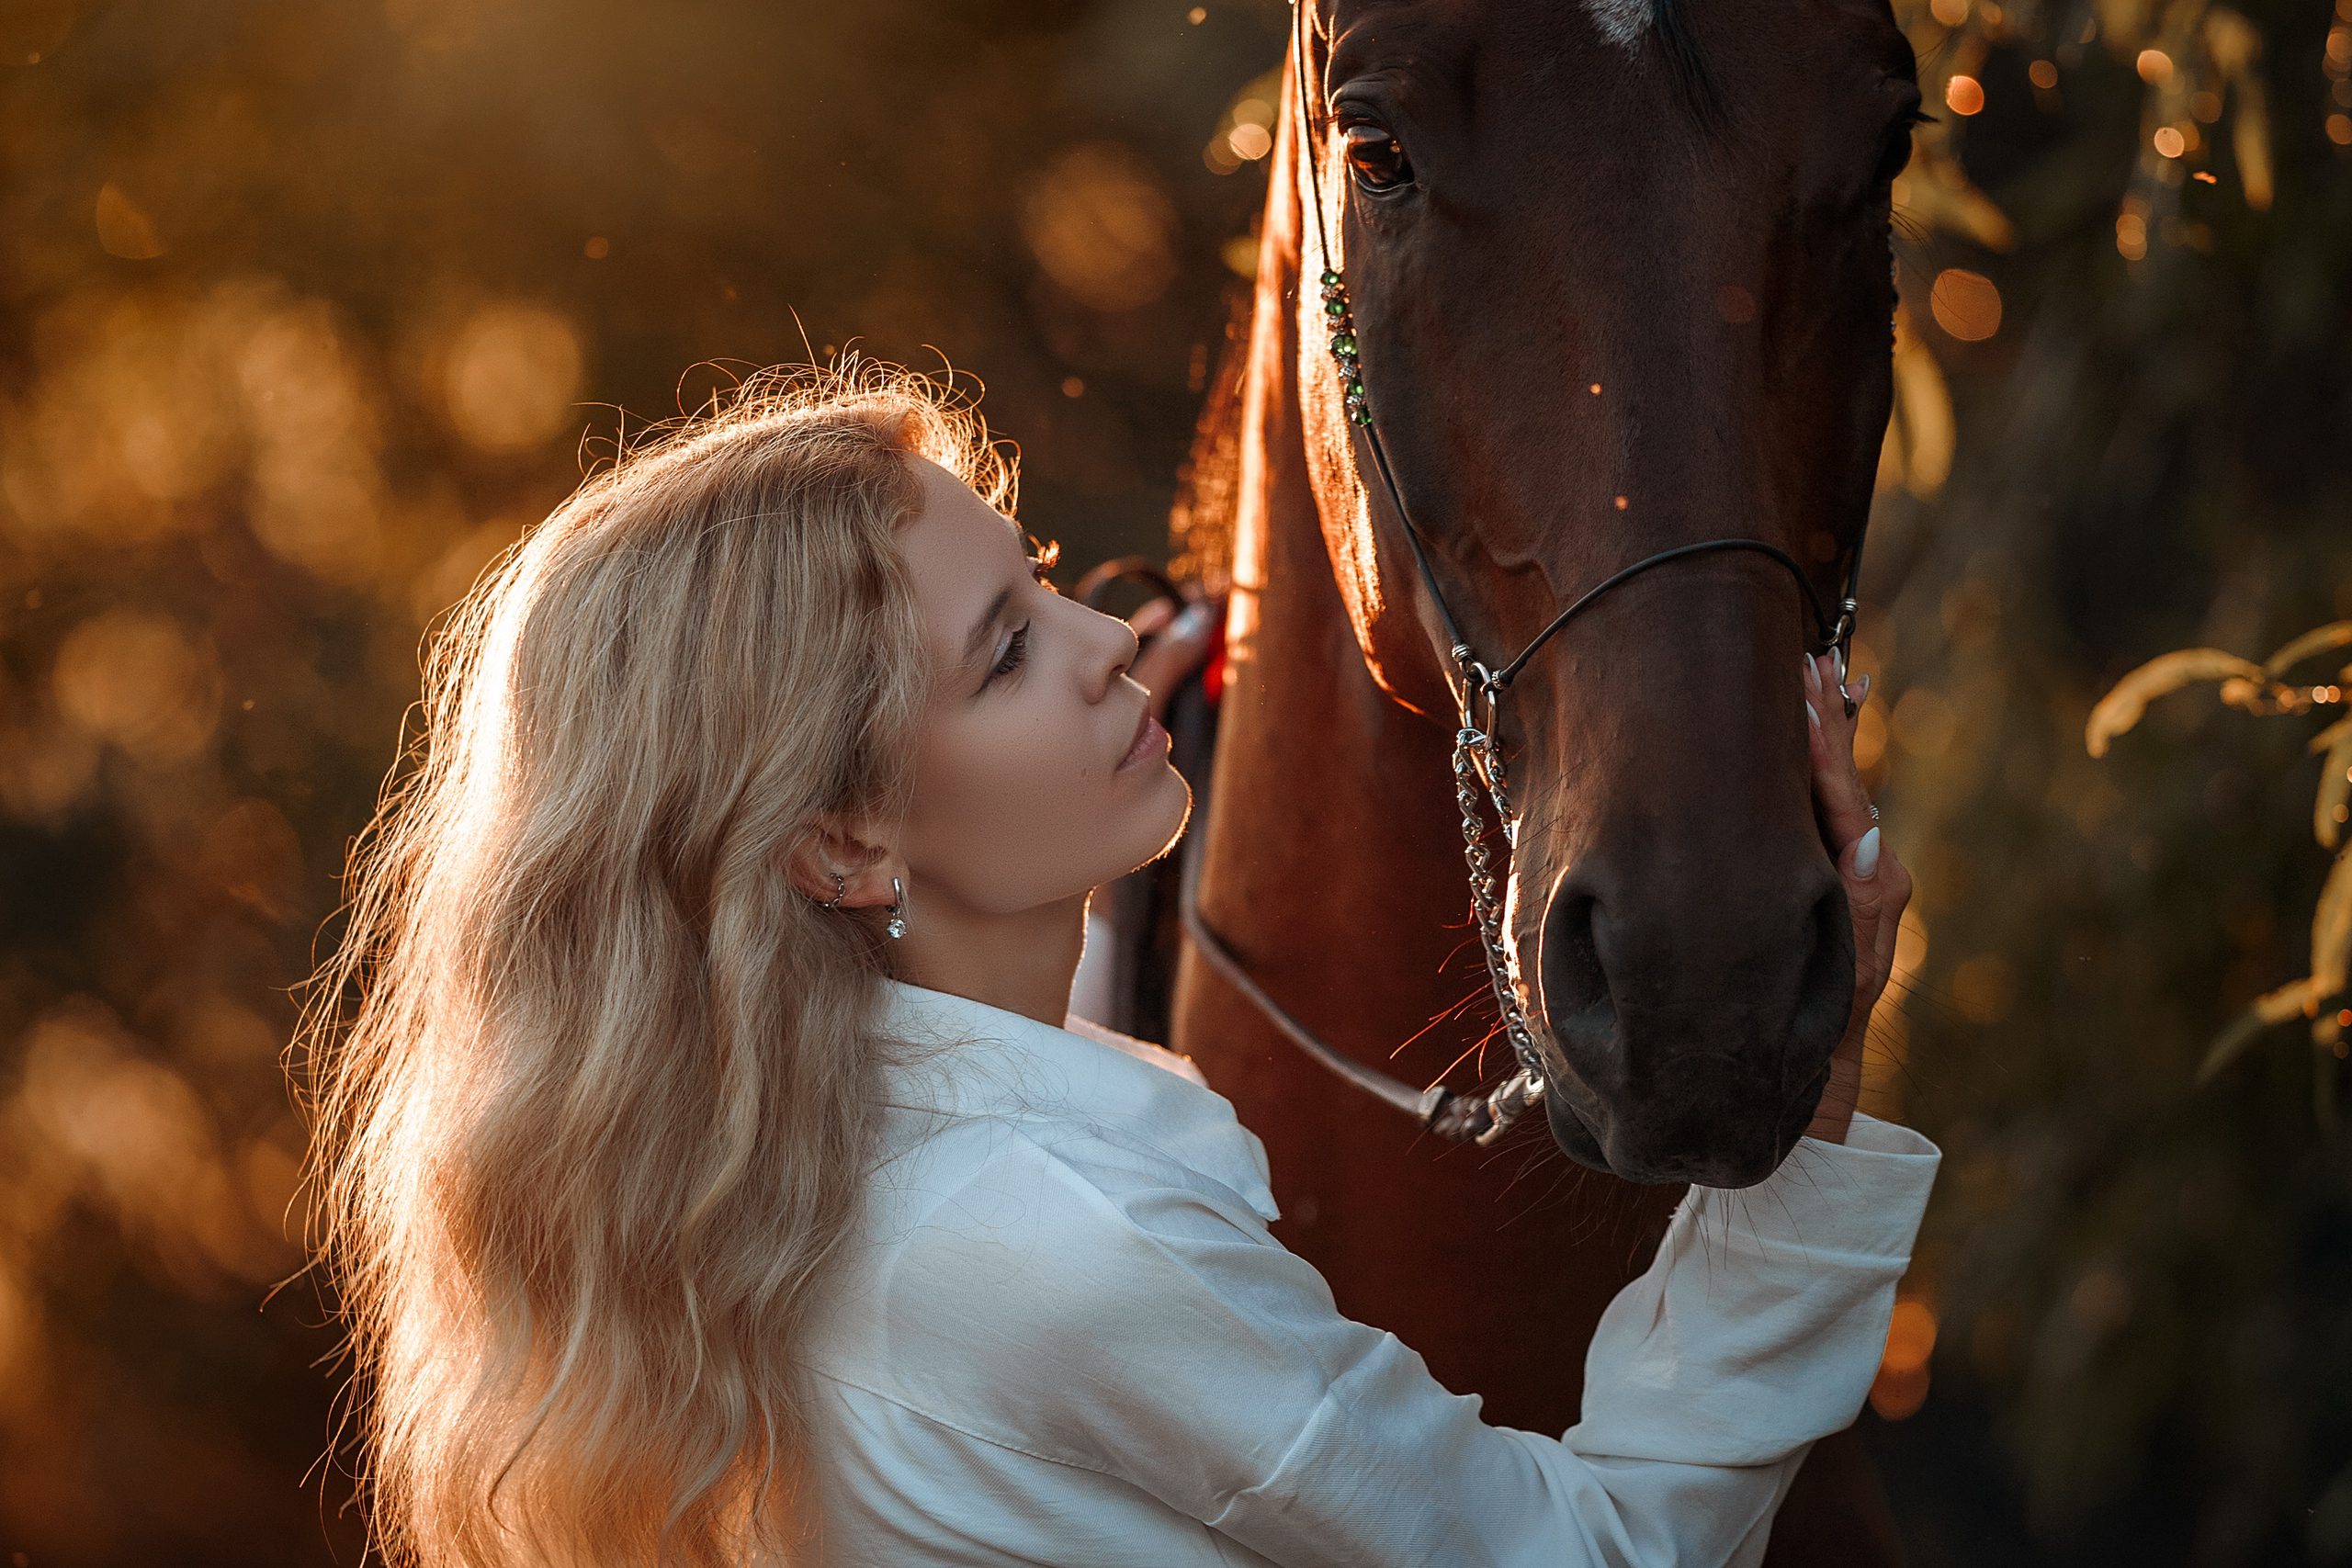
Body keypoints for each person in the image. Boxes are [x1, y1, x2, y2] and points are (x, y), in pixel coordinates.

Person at [304, 365, 1937, 1568]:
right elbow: (1600, 1555)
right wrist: (1807, 1138)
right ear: (843, 849)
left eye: (1041, 583)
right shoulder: (1064, 1245)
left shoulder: (777, 1194)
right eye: (1009, 650)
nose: (1100, 642)